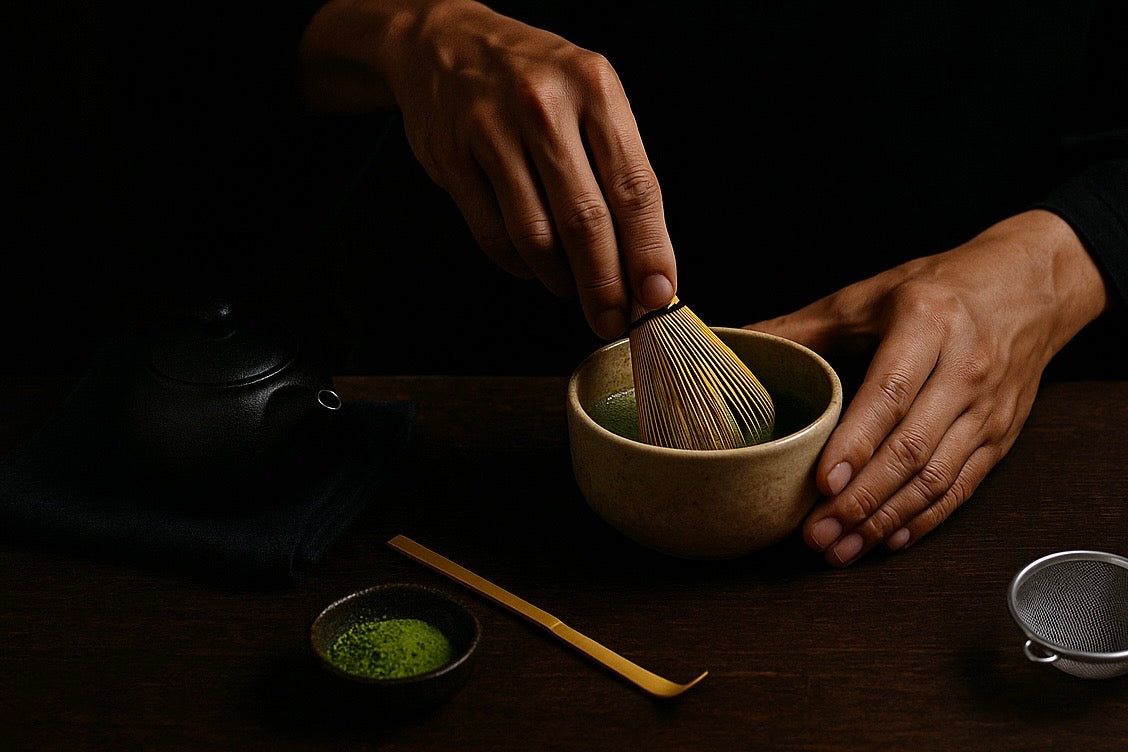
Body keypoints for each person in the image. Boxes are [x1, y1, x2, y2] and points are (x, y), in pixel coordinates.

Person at [9, 1, 1127, 567]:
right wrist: (394, 32)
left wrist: (1064, 258)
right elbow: (121, 48)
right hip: (464, 478)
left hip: (976, 483)